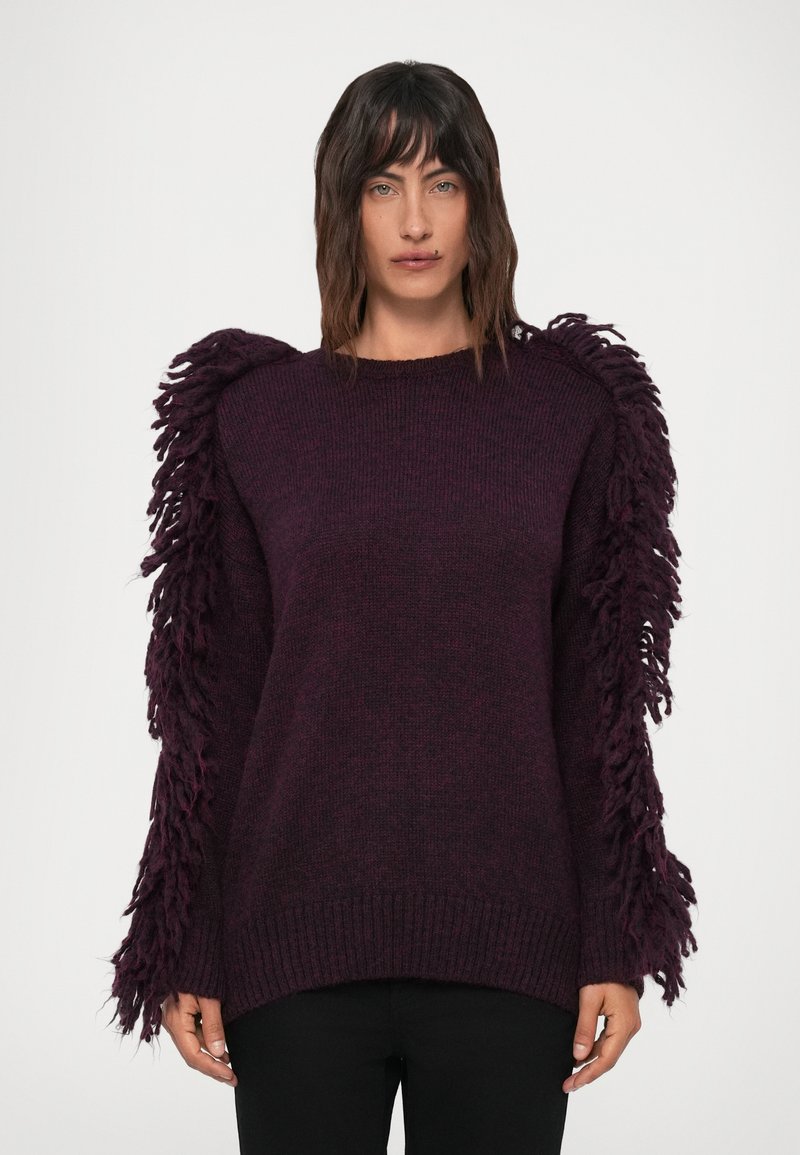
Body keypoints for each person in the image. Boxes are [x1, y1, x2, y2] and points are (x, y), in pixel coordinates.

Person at [103, 60, 699, 1154]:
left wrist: (614, 934)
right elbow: (216, 706)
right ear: (343, 206)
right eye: (383, 185)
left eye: (442, 182)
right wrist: (189, 935)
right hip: (292, 949)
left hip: (510, 948)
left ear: (482, 200)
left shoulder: (567, 413)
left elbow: (598, 701)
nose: (415, 221)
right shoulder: (257, 418)